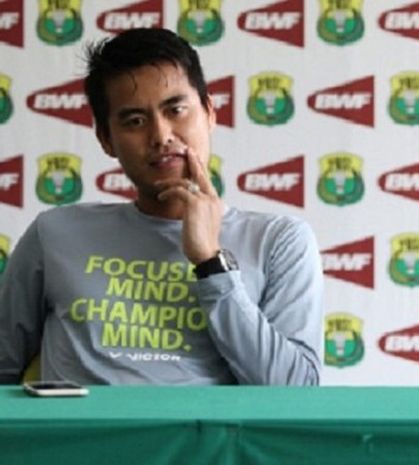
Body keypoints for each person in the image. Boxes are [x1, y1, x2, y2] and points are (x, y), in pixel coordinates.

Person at [0, 28, 323, 385]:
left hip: (208, 441)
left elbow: (295, 391)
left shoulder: (279, 241)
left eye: (176, 110)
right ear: (106, 139)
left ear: (210, 113)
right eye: (135, 121)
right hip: (79, 441)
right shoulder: (55, 234)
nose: (161, 136)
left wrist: (211, 264)